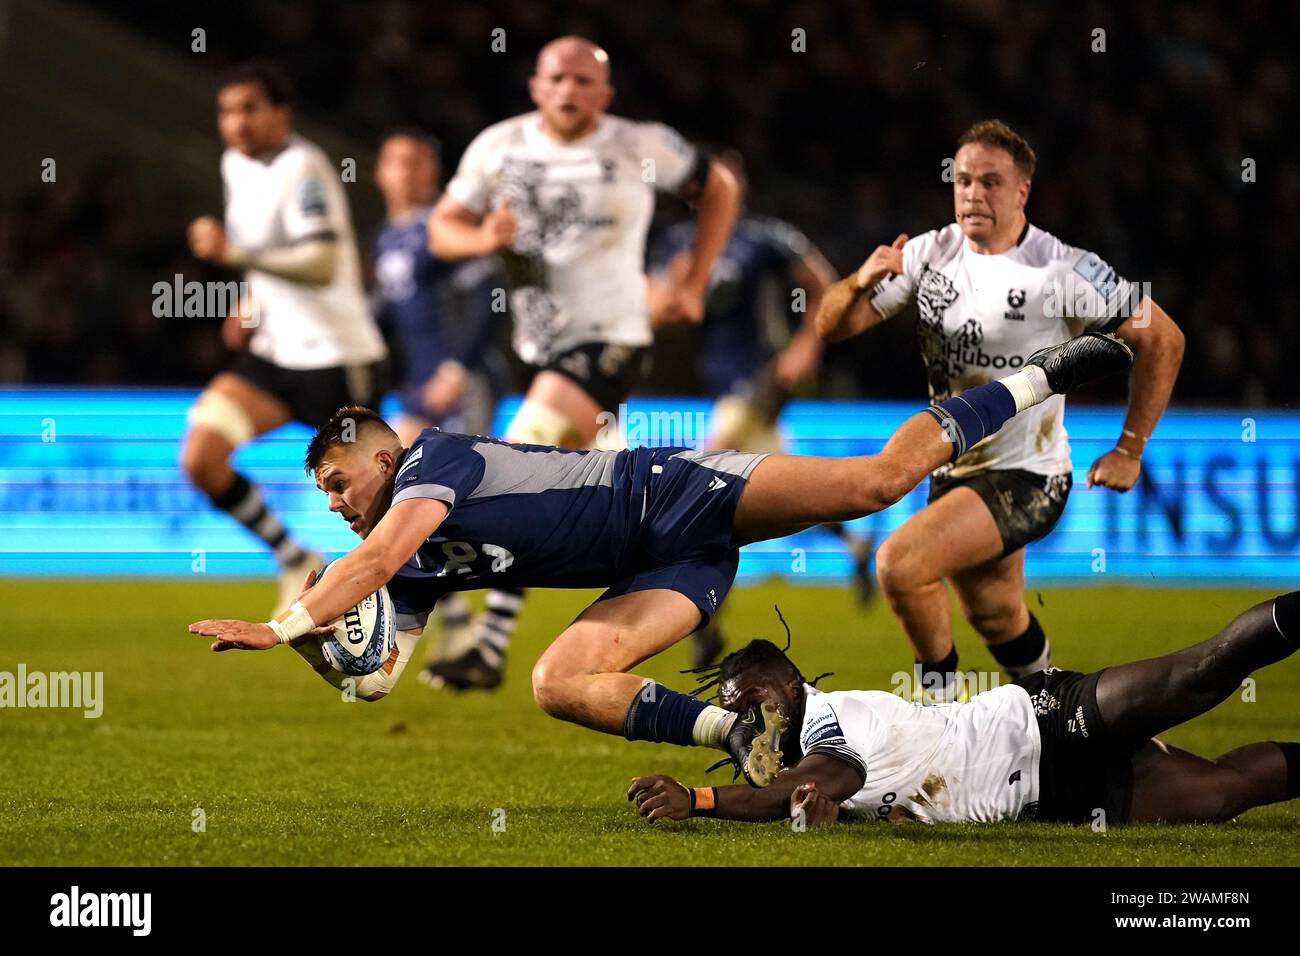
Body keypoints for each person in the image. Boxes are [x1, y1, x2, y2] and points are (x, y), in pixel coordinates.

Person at [189, 332, 1131, 781]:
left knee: (875, 487)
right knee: (558, 680)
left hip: (674, 489)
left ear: (383, 460)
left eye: (340, 485)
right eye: (325, 499)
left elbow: (378, 561)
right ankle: (749, 743)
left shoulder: (436, 458)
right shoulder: (419, 553)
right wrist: (324, 648)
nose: (337, 506)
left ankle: (1046, 374)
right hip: (664, 570)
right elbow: (379, 678)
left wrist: (284, 623)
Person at [816, 119, 1185, 701]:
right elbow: (829, 325)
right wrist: (860, 279)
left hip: (1028, 476)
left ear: (1022, 193)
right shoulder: (928, 255)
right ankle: (1061, 722)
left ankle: (936, 723)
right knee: (995, 613)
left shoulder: (1062, 269)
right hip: (954, 467)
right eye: (962, 180)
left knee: (900, 565)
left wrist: (1130, 447)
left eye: (990, 182)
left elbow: (1162, 339)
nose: (972, 194)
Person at [424, 35, 742, 689]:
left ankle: (486, 646)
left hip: (612, 334)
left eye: (582, 80)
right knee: (612, 499)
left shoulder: (640, 145)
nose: (569, 90)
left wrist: (693, 280)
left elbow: (720, 186)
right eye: (556, 79)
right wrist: (482, 236)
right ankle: (694, 596)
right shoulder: (499, 146)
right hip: (535, 344)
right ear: (536, 87)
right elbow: (441, 227)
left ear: (605, 93)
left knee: (524, 454)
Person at [627, 592, 1300, 828]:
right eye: (738, 716)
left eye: (752, 705)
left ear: (790, 687)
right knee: (1227, 793)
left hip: (1039, 720)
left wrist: (698, 800)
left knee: (1204, 669)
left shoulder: (831, 722)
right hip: (1056, 798)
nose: (748, 724)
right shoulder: (805, 757)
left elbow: (815, 786)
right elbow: (810, 797)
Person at [647, 147, 872, 668]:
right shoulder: (679, 244)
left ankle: (702, 622)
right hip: (721, 386)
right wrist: (677, 284)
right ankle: (853, 540)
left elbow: (824, 285)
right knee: (776, 489)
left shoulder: (765, 237)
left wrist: (805, 347)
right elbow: (656, 308)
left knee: (700, 482)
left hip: (766, 376)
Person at [181, 61, 388, 614]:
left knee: (377, 513)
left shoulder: (305, 167)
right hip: (276, 354)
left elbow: (321, 264)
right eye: (227, 111)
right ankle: (293, 555)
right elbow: (272, 252)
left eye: (250, 108)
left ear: (281, 114)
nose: (237, 122)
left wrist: (235, 257)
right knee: (202, 457)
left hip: (336, 358)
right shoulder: (236, 165)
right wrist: (253, 300)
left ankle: (448, 616)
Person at [371, 127, 505, 679]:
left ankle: (479, 635)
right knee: (391, 496)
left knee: (452, 503)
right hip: (418, 386)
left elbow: (487, 298)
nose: (404, 172)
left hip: (462, 381)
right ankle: (453, 618)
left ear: (433, 174)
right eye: (394, 161)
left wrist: (457, 367)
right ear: (379, 171)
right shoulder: (387, 238)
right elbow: (382, 316)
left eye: (416, 162)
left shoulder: (445, 228)